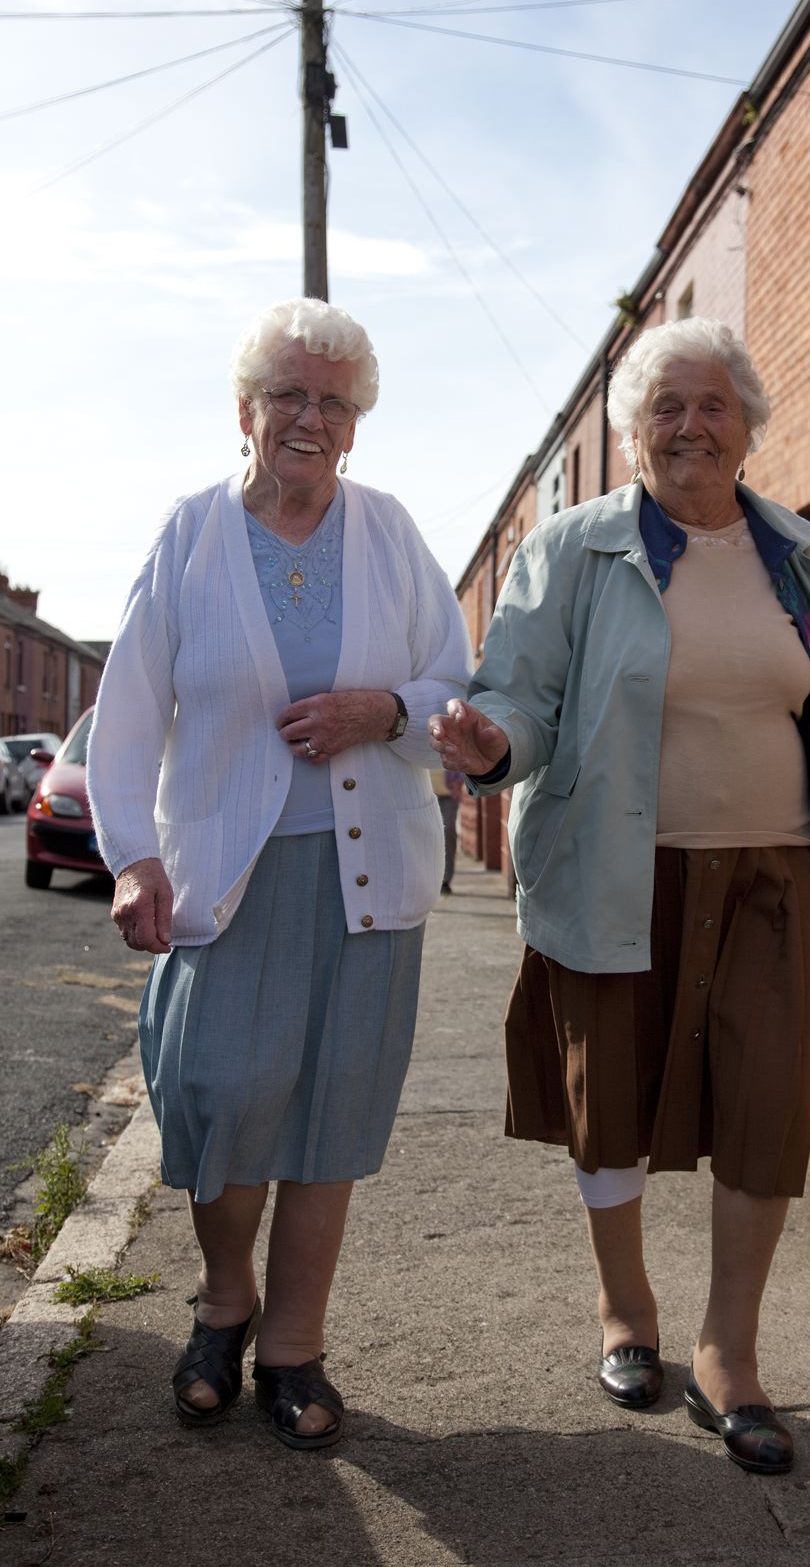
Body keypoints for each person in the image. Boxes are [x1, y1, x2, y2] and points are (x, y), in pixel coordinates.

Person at [430, 316, 810, 1476]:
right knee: (609, 1095)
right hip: (616, 865)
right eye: (665, 407)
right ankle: (626, 1314)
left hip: (775, 872)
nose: (691, 426)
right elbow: (519, 696)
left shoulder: (797, 550)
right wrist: (489, 742)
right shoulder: (573, 549)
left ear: (749, 427)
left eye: (713, 405)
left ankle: (728, 1355)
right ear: (632, 434)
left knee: (767, 1108)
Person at [87, 297, 471, 1450]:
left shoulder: (390, 532)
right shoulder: (192, 534)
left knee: (331, 1116)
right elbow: (128, 711)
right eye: (290, 395)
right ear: (246, 409)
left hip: (366, 878)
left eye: (334, 402)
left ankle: (294, 1347)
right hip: (226, 875)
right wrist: (132, 858)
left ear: (356, 423)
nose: (312, 418)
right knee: (219, 1097)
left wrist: (383, 710)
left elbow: (458, 686)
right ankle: (225, 1301)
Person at [430, 767, 466, 893]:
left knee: (448, 830)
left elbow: (461, 762)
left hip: (448, 796)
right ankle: (429, 878)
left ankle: (445, 880)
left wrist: (459, 781)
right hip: (425, 796)